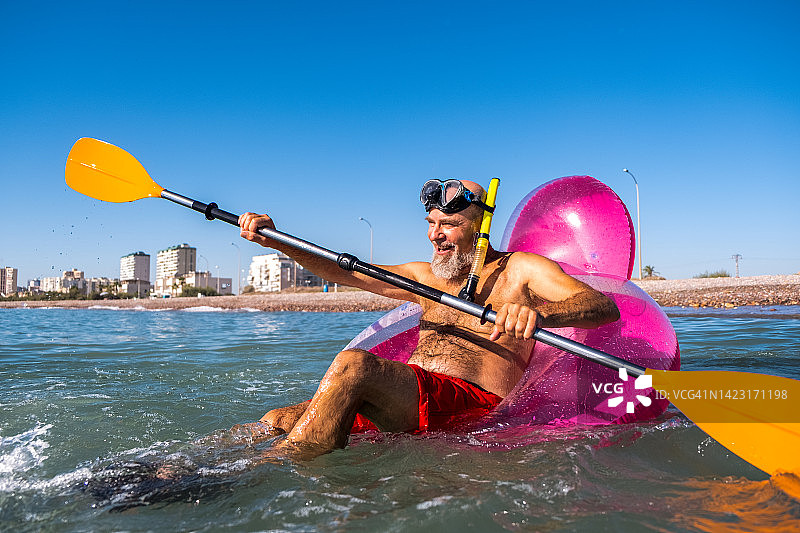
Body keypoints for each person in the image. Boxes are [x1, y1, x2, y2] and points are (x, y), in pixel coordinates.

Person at [237, 179, 619, 458]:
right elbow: (346, 272)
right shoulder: (426, 276)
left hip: (469, 405)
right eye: (431, 224)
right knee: (278, 418)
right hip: (408, 400)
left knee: (354, 366)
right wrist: (277, 241)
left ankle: (274, 475)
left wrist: (538, 312)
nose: (436, 235)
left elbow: (601, 306)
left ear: (481, 224)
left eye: (449, 225)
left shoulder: (520, 270)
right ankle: (194, 473)